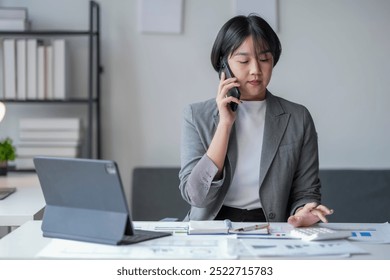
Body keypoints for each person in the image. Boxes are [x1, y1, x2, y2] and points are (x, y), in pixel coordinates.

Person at [179, 14, 333, 227]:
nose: (256, 70)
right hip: (211, 227)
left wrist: (303, 210)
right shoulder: (197, 116)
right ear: (224, 64)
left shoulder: (298, 118)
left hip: (271, 227)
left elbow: (305, 191)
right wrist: (224, 124)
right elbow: (196, 196)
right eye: (243, 61)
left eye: (264, 60)